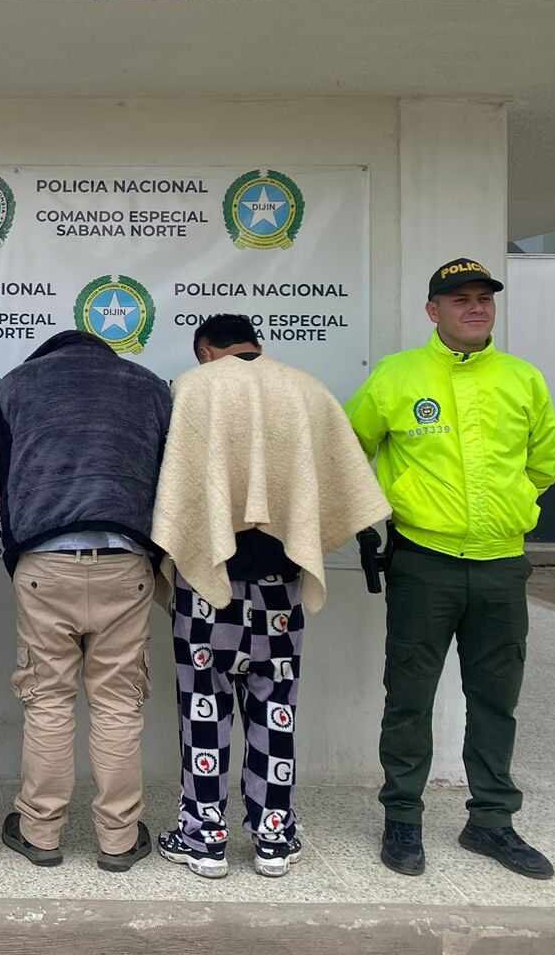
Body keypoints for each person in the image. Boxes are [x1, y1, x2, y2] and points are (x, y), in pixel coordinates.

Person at [347, 258, 555, 880]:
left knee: (496, 699)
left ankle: (492, 822)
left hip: (502, 566)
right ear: (432, 311)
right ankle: (403, 820)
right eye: (460, 299)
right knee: (409, 697)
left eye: (484, 299)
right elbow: (350, 448)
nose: (476, 308)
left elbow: (545, 463)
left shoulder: (523, 380)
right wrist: (392, 501)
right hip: (424, 564)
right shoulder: (397, 376)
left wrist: (509, 507)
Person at [150, 315, 388, 879]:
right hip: (280, 584)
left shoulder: (190, 387)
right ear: (257, 344)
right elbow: (341, 477)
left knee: (202, 706)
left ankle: (203, 838)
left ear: (205, 350)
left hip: (208, 579)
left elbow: (173, 486)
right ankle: (273, 838)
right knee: (274, 707)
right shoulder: (307, 389)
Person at [0, 329, 172, 873]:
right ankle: (118, 839)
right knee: (118, 702)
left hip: (44, 562)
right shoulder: (150, 388)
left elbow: (1, 477)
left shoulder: (14, 386)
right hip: (126, 561)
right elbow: (167, 475)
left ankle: (40, 831)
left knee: (47, 701)